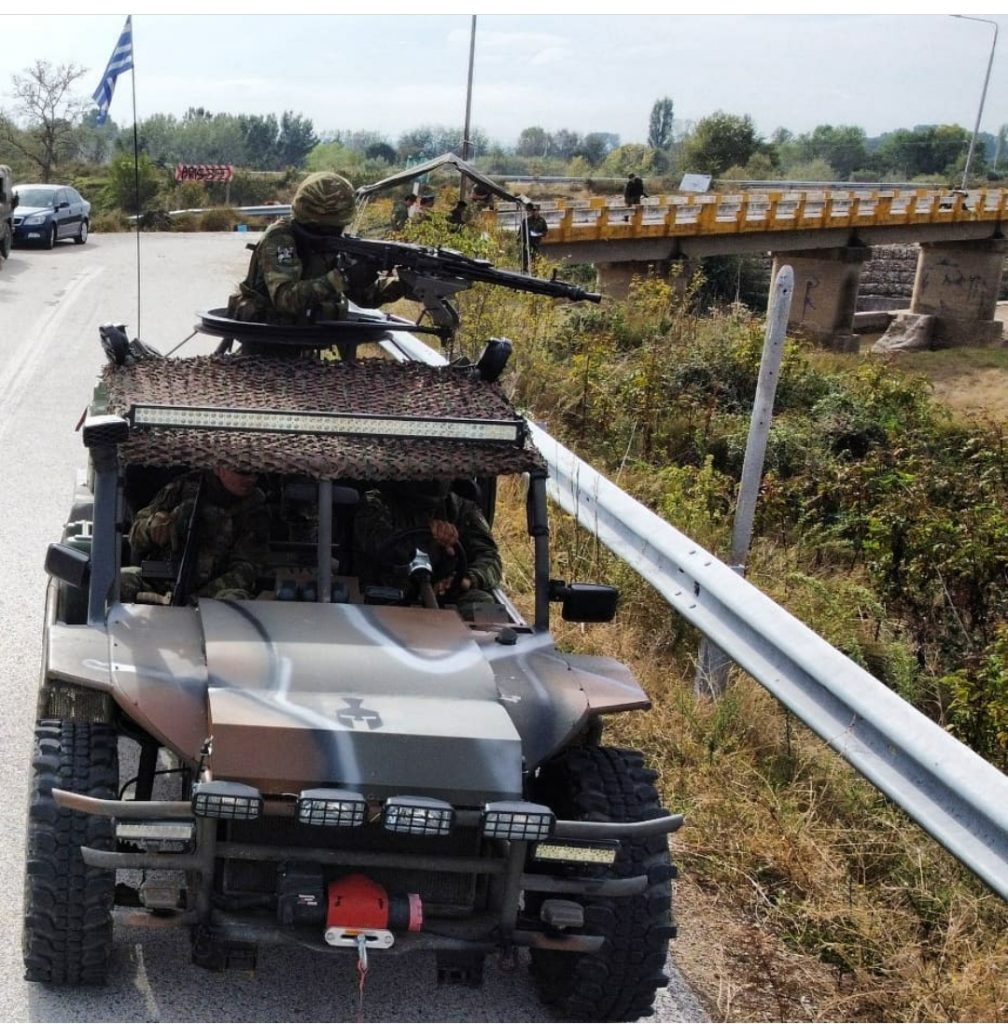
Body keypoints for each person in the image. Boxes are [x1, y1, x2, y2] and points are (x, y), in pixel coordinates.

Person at [227, 171, 404, 325]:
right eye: (334, 226)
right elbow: (286, 299)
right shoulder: (280, 238)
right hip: (268, 338)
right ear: (316, 221)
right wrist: (344, 278)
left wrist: (402, 283)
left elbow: (366, 297)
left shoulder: (327, 243)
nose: (339, 231)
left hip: (311, 337)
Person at [353, 480, 502, 618]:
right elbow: (374, 540)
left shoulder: (462, 508)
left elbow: (490, 557)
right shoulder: (377, 503)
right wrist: (428, 535)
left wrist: (466, 579)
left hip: (445, 595)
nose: (433, 479)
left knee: (483, 604)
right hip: (387, 593)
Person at [121, 466, 271, 604]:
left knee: (234, 599)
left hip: (213, 594)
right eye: (243, 471)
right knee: (121, 581)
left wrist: (196, 600)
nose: (252, 479)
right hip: (159, 585)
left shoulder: (254, 509)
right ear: (218, 468)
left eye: (257, 473)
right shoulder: (183, 487)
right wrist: (151, 527)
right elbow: (135, 537)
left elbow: (245, 570)